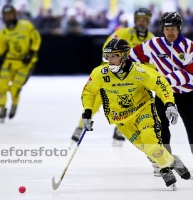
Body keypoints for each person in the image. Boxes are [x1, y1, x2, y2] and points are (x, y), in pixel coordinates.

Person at [81, 38, 191, 188]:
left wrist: (169, 104)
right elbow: (89, 92)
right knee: (146, 148)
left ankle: (165, 169)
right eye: (108, 56)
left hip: (143, 110)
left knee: (149, 140)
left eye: (114, 56)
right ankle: (172, 160)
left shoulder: (141, 71)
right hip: (120, 118)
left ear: (125, 56)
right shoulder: (100, 73)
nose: (110, 60)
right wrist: (87, 112)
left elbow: (161, 84)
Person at [71, 8, 154, 145]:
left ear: (148, 21)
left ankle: (120, 129)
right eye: (139, 19)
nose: (141, 22)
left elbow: (152, 63)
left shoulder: (151, 40)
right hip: (111, 74)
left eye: (144, 20)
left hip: (131, 79)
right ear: (134, 20)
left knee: (127, 104)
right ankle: (80, 126)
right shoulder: (122, 33)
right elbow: (106, 49)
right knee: (96, 101)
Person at [129, 12, 193, 157]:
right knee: (159, 125)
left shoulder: (189, 47)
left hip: (187, 93)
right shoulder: (153, 44)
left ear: (179, 28)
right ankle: (165, 159)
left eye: (173, 29)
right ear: (162, 29)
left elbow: (189, 73)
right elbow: (131, 57)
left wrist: (162, 80)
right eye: (167, 29)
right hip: (163, 92)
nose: (170, 32)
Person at [0, 5, 41, 122]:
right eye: (6, 16)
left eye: (11, 15)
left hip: (25, 63)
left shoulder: (26, 26)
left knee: (15, 88)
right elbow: (2, 45)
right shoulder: (3, 31)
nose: (9, 18)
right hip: (10, 61)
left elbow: (36, 38)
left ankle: (14, 105)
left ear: (15, 15)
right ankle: (2, 110)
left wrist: (31, 53)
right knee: (2, 86)